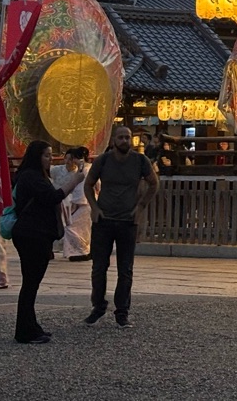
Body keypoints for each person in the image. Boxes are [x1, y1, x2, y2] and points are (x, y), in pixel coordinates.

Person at [85, 124, 159, 328]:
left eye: (127, 138)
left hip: (127, 220)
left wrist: (141, 206)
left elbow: (154, 182)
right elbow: (88, 183)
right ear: (113, 141)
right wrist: (94, 207)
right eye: (121, 137)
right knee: (99, 267)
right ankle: (98, 305)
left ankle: (122, 311)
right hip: (104, 219)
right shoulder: (103, 160)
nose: (125, 141)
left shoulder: (140, 160)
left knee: (125, 269)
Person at [11, 140, 84, 343]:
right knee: (30, 283)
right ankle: (25, 330)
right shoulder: (32, 177)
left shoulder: (30, 176)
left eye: (51, 155)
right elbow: (53, 197)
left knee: (31, 282)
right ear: (37, 156)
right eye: (46, 155)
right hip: (32, 234)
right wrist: (75, 180)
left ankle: (31, 325)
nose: (50, 159)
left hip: (33, 233)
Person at [53, 146, 92, 260]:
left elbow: (81, 188)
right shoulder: (86, 168)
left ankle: (81, 251)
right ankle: (81, 251)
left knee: (72, 227)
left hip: (84, 202)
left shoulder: (84, 169)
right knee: (81, 228)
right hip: (86, 201)